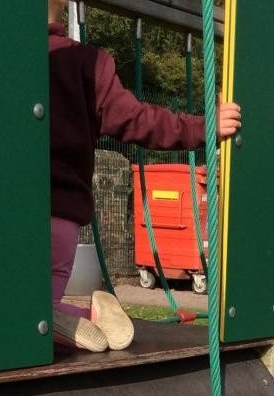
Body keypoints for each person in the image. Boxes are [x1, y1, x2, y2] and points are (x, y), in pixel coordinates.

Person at [47, 0, 241, 351]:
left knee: (10, 309)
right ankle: (91, 314)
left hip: (3, 214)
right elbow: (140, 120)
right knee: (45, 293)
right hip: (60, 216)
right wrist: (203, 126)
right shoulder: (86, 63)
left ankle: (64, 319)